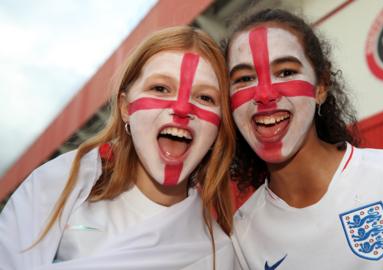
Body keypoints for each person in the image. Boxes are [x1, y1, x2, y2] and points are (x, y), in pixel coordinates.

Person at [224, 8, 383, 270]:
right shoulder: (242, 234)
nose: (265, 94)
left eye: (286, 72)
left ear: (321, 86)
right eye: (244, 79)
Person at [0, 26, 238, 270]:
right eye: (160, 88)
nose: (181, 109)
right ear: (126, 107)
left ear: (219, 126)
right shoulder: (64, 184)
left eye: (205, 98)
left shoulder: (218, 255)